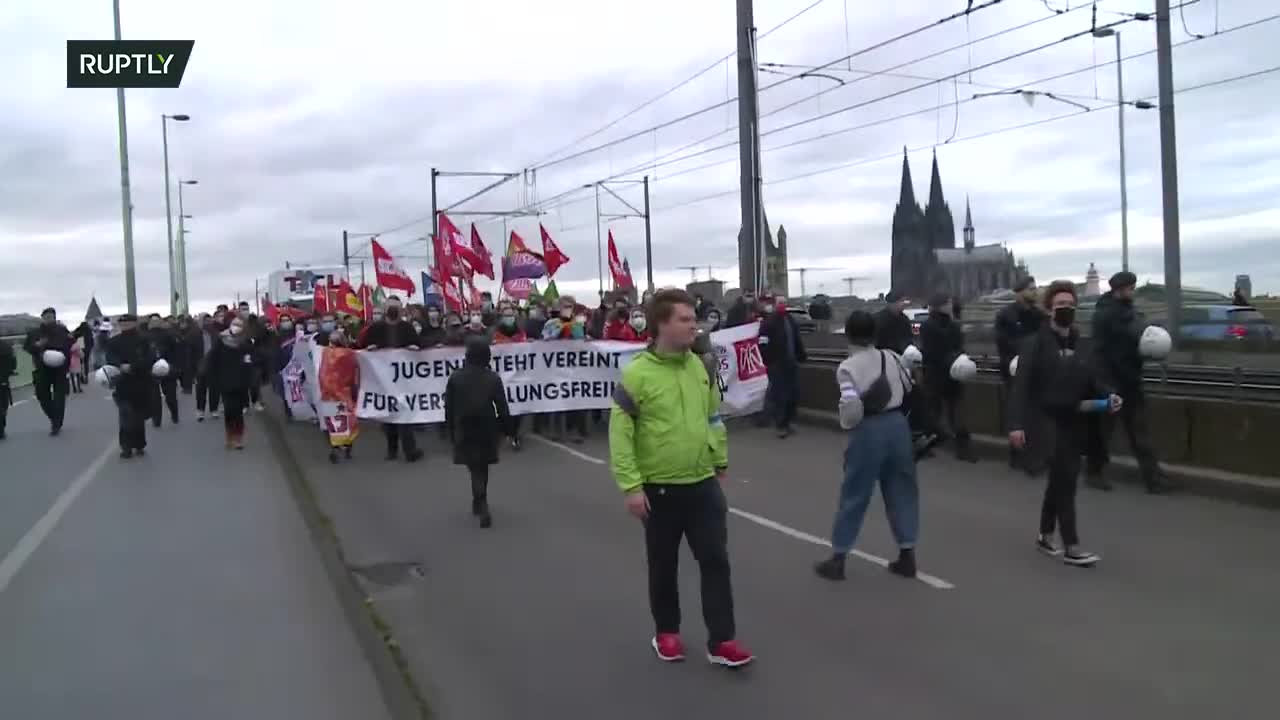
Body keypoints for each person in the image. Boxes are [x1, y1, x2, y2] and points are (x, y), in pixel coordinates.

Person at [608, 288, 753, 668]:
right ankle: (667, 633)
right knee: (663, 564)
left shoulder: (700, 366)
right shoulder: (637, 374)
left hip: (702, 483)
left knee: (715, 562)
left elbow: (713, 417)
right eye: (685, 320)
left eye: (695, 319)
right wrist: (631, 487)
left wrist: (719, 463)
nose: (695, 326)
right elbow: (619, 435)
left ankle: (722, 640)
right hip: (658, 488)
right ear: (661, 325)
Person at [1009, 280, 1117, 568]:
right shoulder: (1034, 343)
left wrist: (1109, 396)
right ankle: (1072, 546)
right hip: (1044, 419)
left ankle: (1045, 535)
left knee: (1060, 481)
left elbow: (1092, 378)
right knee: (1066, 481)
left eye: (1070, 305)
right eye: (1060, 306)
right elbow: (1021, 386)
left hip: (1073, 418)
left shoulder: (1081, 343)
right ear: (1049, 310)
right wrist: (1016, 425)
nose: (1065, 309)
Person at [814, 311, 919, 581]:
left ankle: (838, 558)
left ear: (848, 335)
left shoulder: (848, 367)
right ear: (874, 334)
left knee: (855, 493)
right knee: (902, 490)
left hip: (870, 430)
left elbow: (850, 409)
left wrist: (848, 425)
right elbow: (909, 385)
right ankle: (907, 554)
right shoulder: (892, 357)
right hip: (898, 427)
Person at [1088, 271, 1173, 494]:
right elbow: (1097, 353)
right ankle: (1093, 473)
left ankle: (1153, 479)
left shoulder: (1131, 311)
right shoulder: (1104, 315)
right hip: (1111, 383)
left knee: (1139, 433)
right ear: (1119, 289)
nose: (1132, 291)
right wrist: (1104, 386)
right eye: (1130, 288)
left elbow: (1139, 339)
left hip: (1130, 381)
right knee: (1104, 433)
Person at [445, 337, 513, 528]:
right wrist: (509, 430)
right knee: (482, 466)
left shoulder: (456, 377)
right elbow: (502, 406)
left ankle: (480, 501)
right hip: (488, 427)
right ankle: (480, 500)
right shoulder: (492, 378)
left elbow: (449, 407)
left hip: (464, 427)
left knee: (474, 466)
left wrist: (449, 429)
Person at [363, 295, 425, 463]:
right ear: (385, 309)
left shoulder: (407, 328)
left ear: (400, 310)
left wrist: (414, 348)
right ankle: (392, 449)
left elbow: (418, 346)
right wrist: (370, 349)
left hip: (404, 380)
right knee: (389, 416)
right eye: (390, 307)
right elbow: (363, 348)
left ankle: (410, 450)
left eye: (396, 307)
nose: (393, 311)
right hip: (383, 380)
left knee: (404, 415)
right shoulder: (375, 329)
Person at [919, 293, 977, 462]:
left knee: (933, 413)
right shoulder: (949, 325)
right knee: (956, 414)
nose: (951, 305)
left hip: (936, 375)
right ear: (942, 305)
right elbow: (955, 348)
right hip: (948, 374)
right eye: (949, 303)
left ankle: (927, 446)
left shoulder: (928, 325)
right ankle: (963, 450)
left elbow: (928, 353)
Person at [995, 277, 1044, 471]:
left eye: (1036, 288)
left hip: (1037, 370)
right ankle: (1017, 456)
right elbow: (1003, 342)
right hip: (1014, 369)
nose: (1035, 292)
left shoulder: (1039, 315)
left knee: (1036, 414)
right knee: (1017, 414)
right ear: (1019, 292)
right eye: (1031, 289)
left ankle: (1033, 455)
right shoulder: (1005, 315)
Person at [105, 314, 158, 458]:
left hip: (141, 382)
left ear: (135, 323)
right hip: (122, 383)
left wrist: (133, 367)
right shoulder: (114, 342)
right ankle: (126, 447)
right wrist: (120, 365)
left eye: (128, 323)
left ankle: (139, 443)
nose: (125, 325)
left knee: (138, 416)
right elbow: (109, 357)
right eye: (123, 323)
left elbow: (151, 358)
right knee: (125, 415)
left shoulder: (145, 340)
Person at [758, 294, 806, 438]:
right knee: (780, 396)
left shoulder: (790, 320)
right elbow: (762, 344)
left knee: (793, 395)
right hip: (777, 365)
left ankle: (788, 422)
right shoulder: (768, 322)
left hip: (791, 363)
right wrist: (768, 361)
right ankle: (780, 425)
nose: (782, 305)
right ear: (774, 304)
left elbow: (797, 339)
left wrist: (801, 355)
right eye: (780, 303)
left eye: (784, 303)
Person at [22, 307, 74, 435]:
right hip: (42, 368)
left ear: (55, 317)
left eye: (51, 316)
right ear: (42, 318)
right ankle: (53, 417)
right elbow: (27, 347)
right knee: (42, 395)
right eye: (46, 317)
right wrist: (37, 345)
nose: (49, 319)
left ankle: (56, 423)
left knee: (59, 397)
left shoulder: (62, 330)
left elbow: (70, 344)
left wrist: (67, 354)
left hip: (59, 368)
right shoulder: (34, 333)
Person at [209, 316, 258, 449]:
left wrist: (251, 379)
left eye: (240, 325)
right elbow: (212, 359)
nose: (236, 327)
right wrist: (212, 376)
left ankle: (238, 437)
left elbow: (251, 361)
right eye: (235, 324)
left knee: (238, 410)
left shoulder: (246, 342)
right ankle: (230, 435)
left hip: (241, 381)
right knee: (229, 409)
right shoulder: (221, 340)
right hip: (225, 380)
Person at [148, 315, 181, 425]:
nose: (155, 323)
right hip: (152, 369)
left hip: (168, 368)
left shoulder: (169, 335)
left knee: (170, 396)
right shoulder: (145, 336)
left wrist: (174, 366)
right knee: (154, 397)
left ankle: (174, 414)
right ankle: (157, 420)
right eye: (153, 321)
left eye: (157, 321)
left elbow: (177, 352)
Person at [195, 314, 222, 421]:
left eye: (209, 320)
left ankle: (214, 410)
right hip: (200, 365)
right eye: (205, 321)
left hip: (214, 364)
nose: (207, 323)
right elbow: (190, 352)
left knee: (214, 388)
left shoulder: (216, 334)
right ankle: (200, 411)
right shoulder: (195, 335)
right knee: (201, 389)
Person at [0, 337, 16, 440]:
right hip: (2, 378)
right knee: (3, 402)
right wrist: (10, 370)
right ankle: (2, 425)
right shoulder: (5, 346)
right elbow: (13, 362)